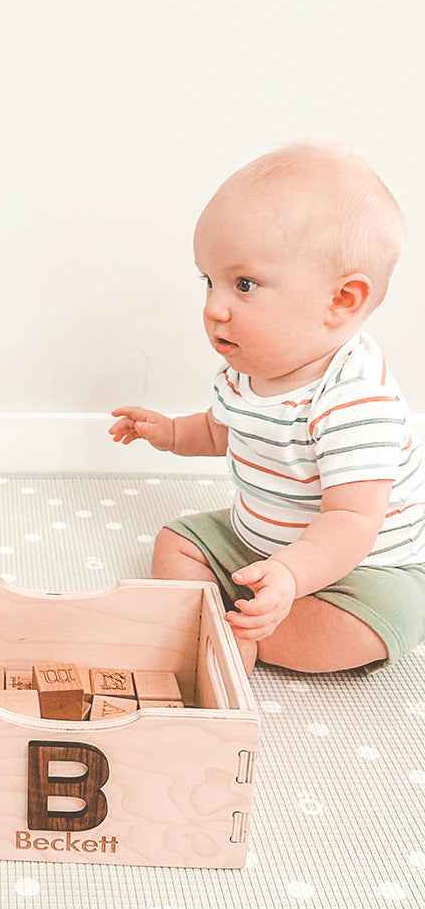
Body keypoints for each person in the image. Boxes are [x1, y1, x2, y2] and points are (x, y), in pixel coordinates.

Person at [110, 143, 425, 675]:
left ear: (342, 300)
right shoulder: (248, 364)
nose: (214, 307)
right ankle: (237, 622)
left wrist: (291, 577)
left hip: (361, 570)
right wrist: (168, 432)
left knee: (353, 629)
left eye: (245, 285)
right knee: (175, 544)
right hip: (259, 540)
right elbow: (219, 433)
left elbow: (351, 521)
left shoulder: (356, 401)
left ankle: (242, 627)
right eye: (208, 281)